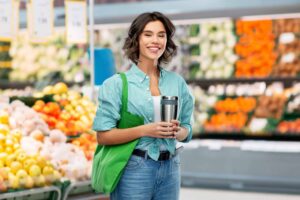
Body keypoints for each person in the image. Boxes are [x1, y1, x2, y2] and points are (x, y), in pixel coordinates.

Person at [92, 11, 194, 200]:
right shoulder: (116, 85)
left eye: (161, 35)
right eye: (148, 34)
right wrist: (146, 130)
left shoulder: (177, 82)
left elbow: (188, 128)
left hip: (171, 168)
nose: (155, 40)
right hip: (135, 168)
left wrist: (178, 132)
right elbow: (103, 136)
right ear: (136, 40)